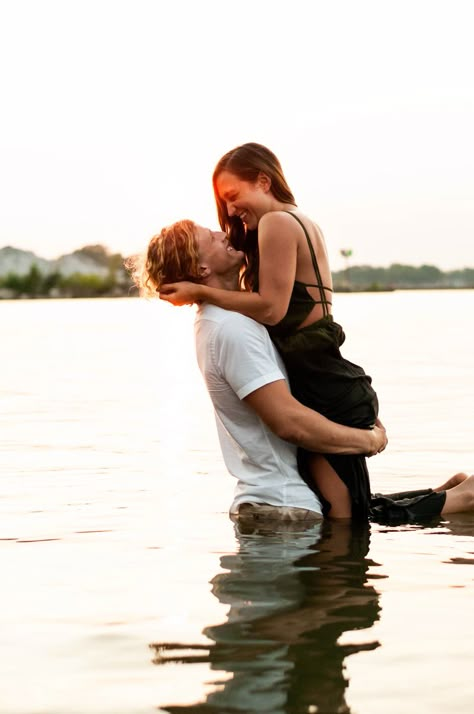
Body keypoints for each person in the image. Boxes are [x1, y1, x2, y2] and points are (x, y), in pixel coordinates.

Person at [128, 219, 474, 523]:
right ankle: (459, 499)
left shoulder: (232, 319)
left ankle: (450, 495)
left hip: (286, 505)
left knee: (375, 511)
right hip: (284, 513)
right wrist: (367, 440)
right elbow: (288, 422)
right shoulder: (231, 329)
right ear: (201, 267)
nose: (223, 233)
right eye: (211, 237)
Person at [157, 143, 378, 520]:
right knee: (354, 511)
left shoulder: (277, 223)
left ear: (263, 180)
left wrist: (200, 291)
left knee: (347, 520)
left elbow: (272, 310)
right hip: (330, 377)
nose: (228, 212)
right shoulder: (299, 221)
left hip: (320, 385)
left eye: (232, 196)